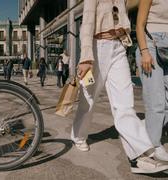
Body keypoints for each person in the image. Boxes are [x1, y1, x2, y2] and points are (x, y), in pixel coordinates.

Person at [72, 0, 168, 174]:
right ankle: (78, 136)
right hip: (97, 47)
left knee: (125, 105)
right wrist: (86, 57)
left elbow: (128, 12)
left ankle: (141, 156)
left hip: (119, 48)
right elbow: (87, 23)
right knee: (89, 100)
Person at [136, 0, 168, 161]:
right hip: (150, 45)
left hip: (167, 48)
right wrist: (144, 52)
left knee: (165, 102)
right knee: (156, 101)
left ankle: (143, 130)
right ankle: (153, 145)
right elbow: (139, 25)